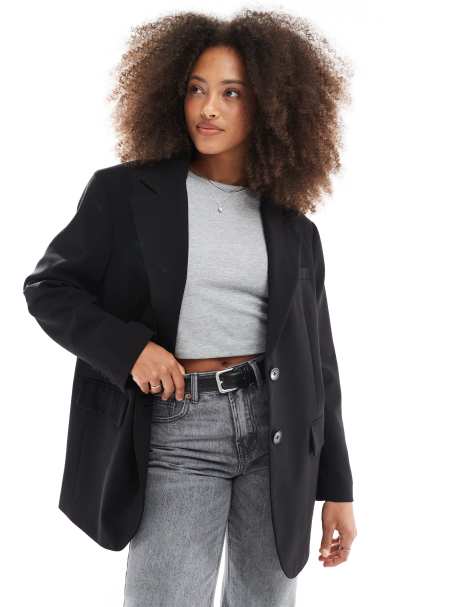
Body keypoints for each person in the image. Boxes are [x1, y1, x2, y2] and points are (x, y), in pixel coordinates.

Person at [23, 9, 357, 607]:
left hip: (276, 433)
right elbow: (50, 288)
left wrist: (338, 487)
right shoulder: (125, 194)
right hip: (178, 428)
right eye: (197, 89)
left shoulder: (294, 229)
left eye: (232, 93)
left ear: (272, 106)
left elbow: (319, 363)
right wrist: (131, 351)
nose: (209, 109)